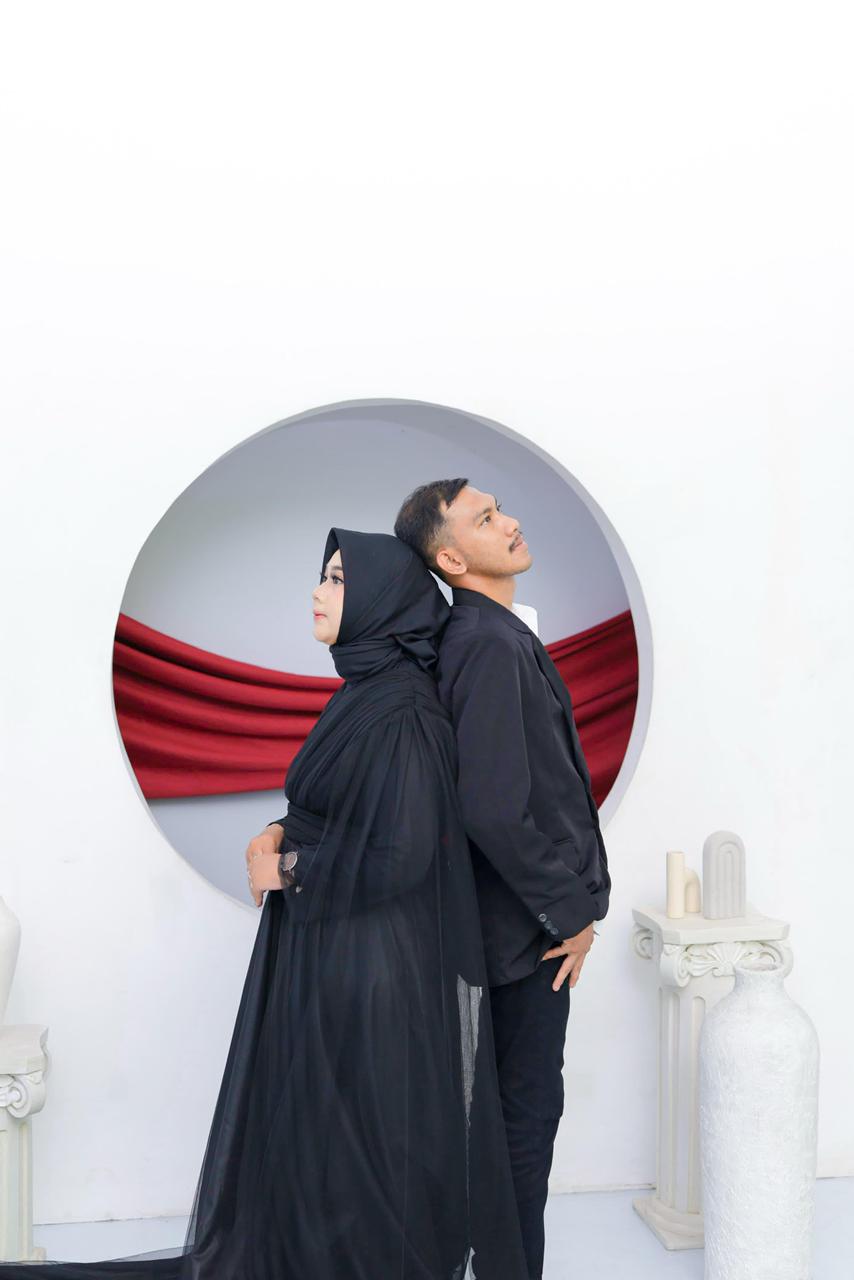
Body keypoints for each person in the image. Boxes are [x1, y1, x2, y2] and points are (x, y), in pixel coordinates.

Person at [0, 528, 530, 1280]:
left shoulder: (404, 712)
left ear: (381, 600)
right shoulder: (363, 692)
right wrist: (281, 830)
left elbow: (403, 850)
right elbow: (334, 806)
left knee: (362, 1136)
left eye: (338, 579)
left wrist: (289, 867)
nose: (318, 592)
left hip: (373, 963)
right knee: (326, 1130)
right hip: (335, 946)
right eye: (324, 576)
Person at [394, 482, 612, 1280]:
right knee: (523, 1119)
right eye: (484, 519)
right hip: (526, 934)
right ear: (451, 558)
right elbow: (491, 808)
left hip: (522, 926)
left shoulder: (491, 634)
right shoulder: (485, 642)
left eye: (500, 509)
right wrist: (570, 913)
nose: (510, 522)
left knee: (516, 1117)